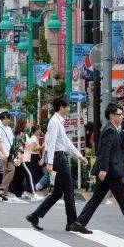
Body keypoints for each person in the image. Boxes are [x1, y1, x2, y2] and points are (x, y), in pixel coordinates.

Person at [69, 103, 124, 235]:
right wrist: (104, 169)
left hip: (109, 170)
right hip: (111, 170)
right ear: (112, 116)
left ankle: (79, 223)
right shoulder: (110, 130)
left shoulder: (112, 129)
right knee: (123, 197)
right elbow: (105, 151)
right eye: (120, 115)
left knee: (97, 198)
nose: (122, 117)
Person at [26, 95, 88, 232]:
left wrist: (79, 156)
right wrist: (50, 162)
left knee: (58, 192)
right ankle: (72, 222)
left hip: (61, 156)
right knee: (69, 190)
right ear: (61, 107)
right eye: (67, 106)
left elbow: (66, 141)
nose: (68, 109)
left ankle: (35, 216)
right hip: (59, 158)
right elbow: (52, 142)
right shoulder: (54, 122)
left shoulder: (59, 121)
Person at [10, 116, 36, 200]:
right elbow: (19, 147)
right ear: (24, 124)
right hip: (23, 159)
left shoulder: (24, 134)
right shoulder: (21, 134)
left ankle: (14, 193)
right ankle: (32, 193)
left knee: (18, 177)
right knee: (29, 174)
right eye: (28, 122)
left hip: (25, 158)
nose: (29, 124)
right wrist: (19, 157)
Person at [0, 111, 16, 201]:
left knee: (6, 172)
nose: (6, 120)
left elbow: (11, 141)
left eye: (7, 118)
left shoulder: (9, 129)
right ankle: (2, 189)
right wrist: (2, 154)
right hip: (5, 154)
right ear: (1, 120)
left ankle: (4, 193)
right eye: (4, 119)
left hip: (11, 153)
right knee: (12, 170)